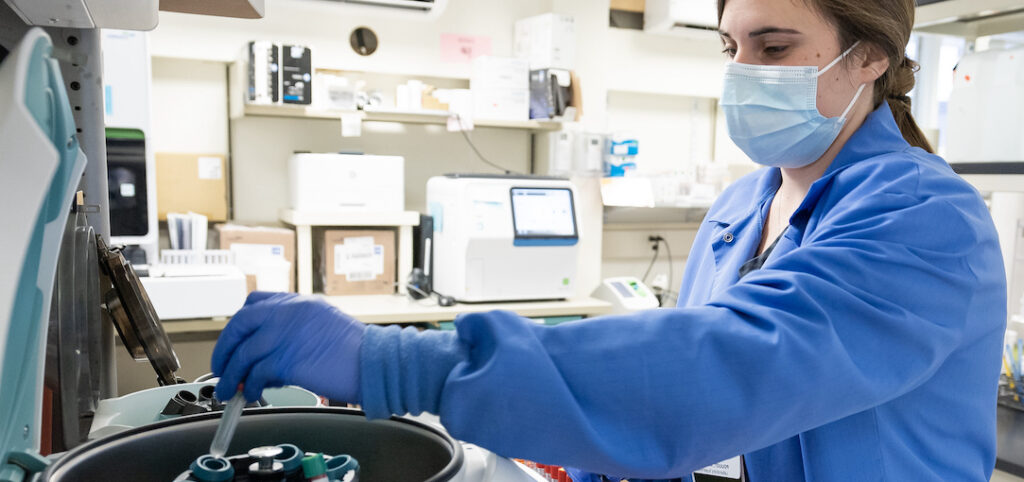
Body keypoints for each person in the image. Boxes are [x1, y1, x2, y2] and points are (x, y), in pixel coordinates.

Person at [210, 0, 1007, 479]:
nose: (742, 72)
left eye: (774, 47)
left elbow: (726, 369)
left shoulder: (927, 219)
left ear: (867, 57)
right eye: (730, 48)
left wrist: (394, 362)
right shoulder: (741, 207)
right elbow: (674, 387)